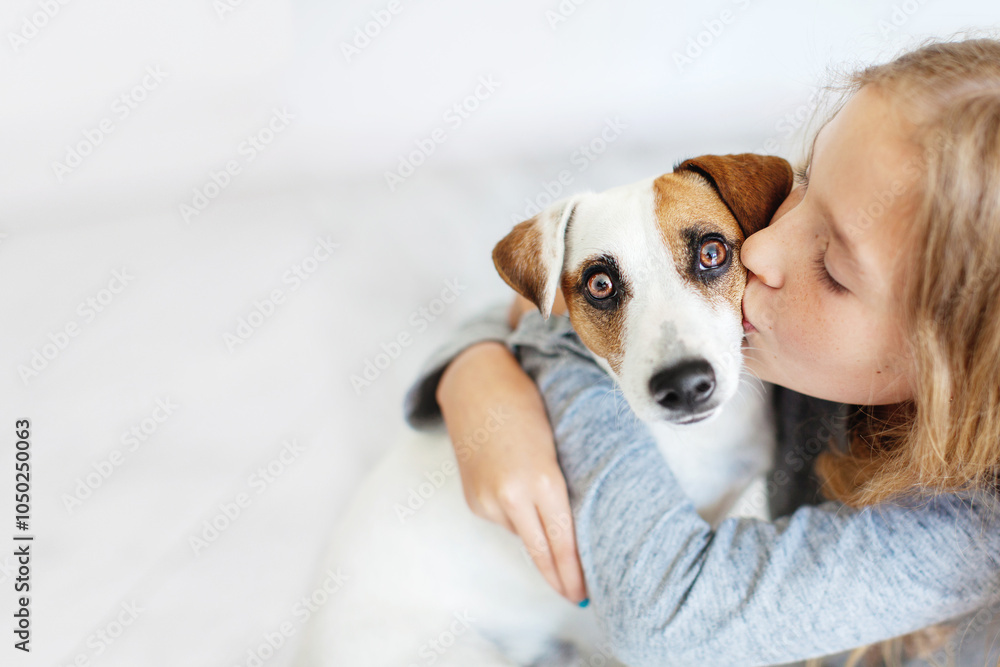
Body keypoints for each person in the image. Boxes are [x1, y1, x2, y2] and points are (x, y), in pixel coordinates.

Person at [403, 37, 1000, 666]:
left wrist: (550, 357)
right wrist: (475, 370)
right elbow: (545, 300)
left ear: (951, 371)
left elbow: (666, 619)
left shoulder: (974, 532)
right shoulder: (805, 316)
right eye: (802, 187)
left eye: (830, 266)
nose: (758, 248)